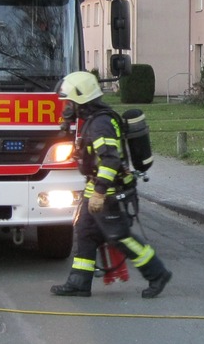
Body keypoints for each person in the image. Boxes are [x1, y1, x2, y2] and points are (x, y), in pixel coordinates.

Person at [50, 71, 172, 298]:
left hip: (110, 190)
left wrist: (99, 192)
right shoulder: (90, 121)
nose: (66, 107)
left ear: (81, 100)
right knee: (85, 232)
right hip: (96, 187)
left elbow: (111, 160)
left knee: (119, 236)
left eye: (69, 102)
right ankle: (79, 282)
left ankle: (157, 273)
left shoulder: (101, 124)